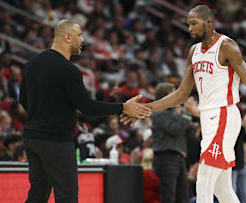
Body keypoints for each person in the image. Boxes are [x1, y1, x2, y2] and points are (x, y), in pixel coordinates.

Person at [121, 5, 246, 203]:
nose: (189, 28)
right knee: (221, 187)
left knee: (203, 179)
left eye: (194, 23)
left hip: (224, 116)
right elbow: (181, 94)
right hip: (207, 119)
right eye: (188, 24)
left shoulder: (227, 46)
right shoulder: (194, 51)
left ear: (208, 22)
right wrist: (147, 108)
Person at [19, 19, 151, 203]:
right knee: (67, 196)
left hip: (31, 138)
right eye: (79, 35)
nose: (83, 39)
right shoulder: (68, 70)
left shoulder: (32, 63)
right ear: (67, 37)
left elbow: (23, 100)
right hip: (56, 141)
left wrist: (44, 114)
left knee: (37, 195)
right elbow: (87, 107)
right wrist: (122, 107)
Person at [151, 82, 200, 203]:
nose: (178, 95)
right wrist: (188, 114)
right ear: (165, 96)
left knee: (183, 198)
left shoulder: (176, 113)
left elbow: (191, 133)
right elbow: (176, 130)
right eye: (174, 92)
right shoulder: (158, 113)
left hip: (180, 159)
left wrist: (199, 117)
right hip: (166, 158)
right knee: (169, 197)